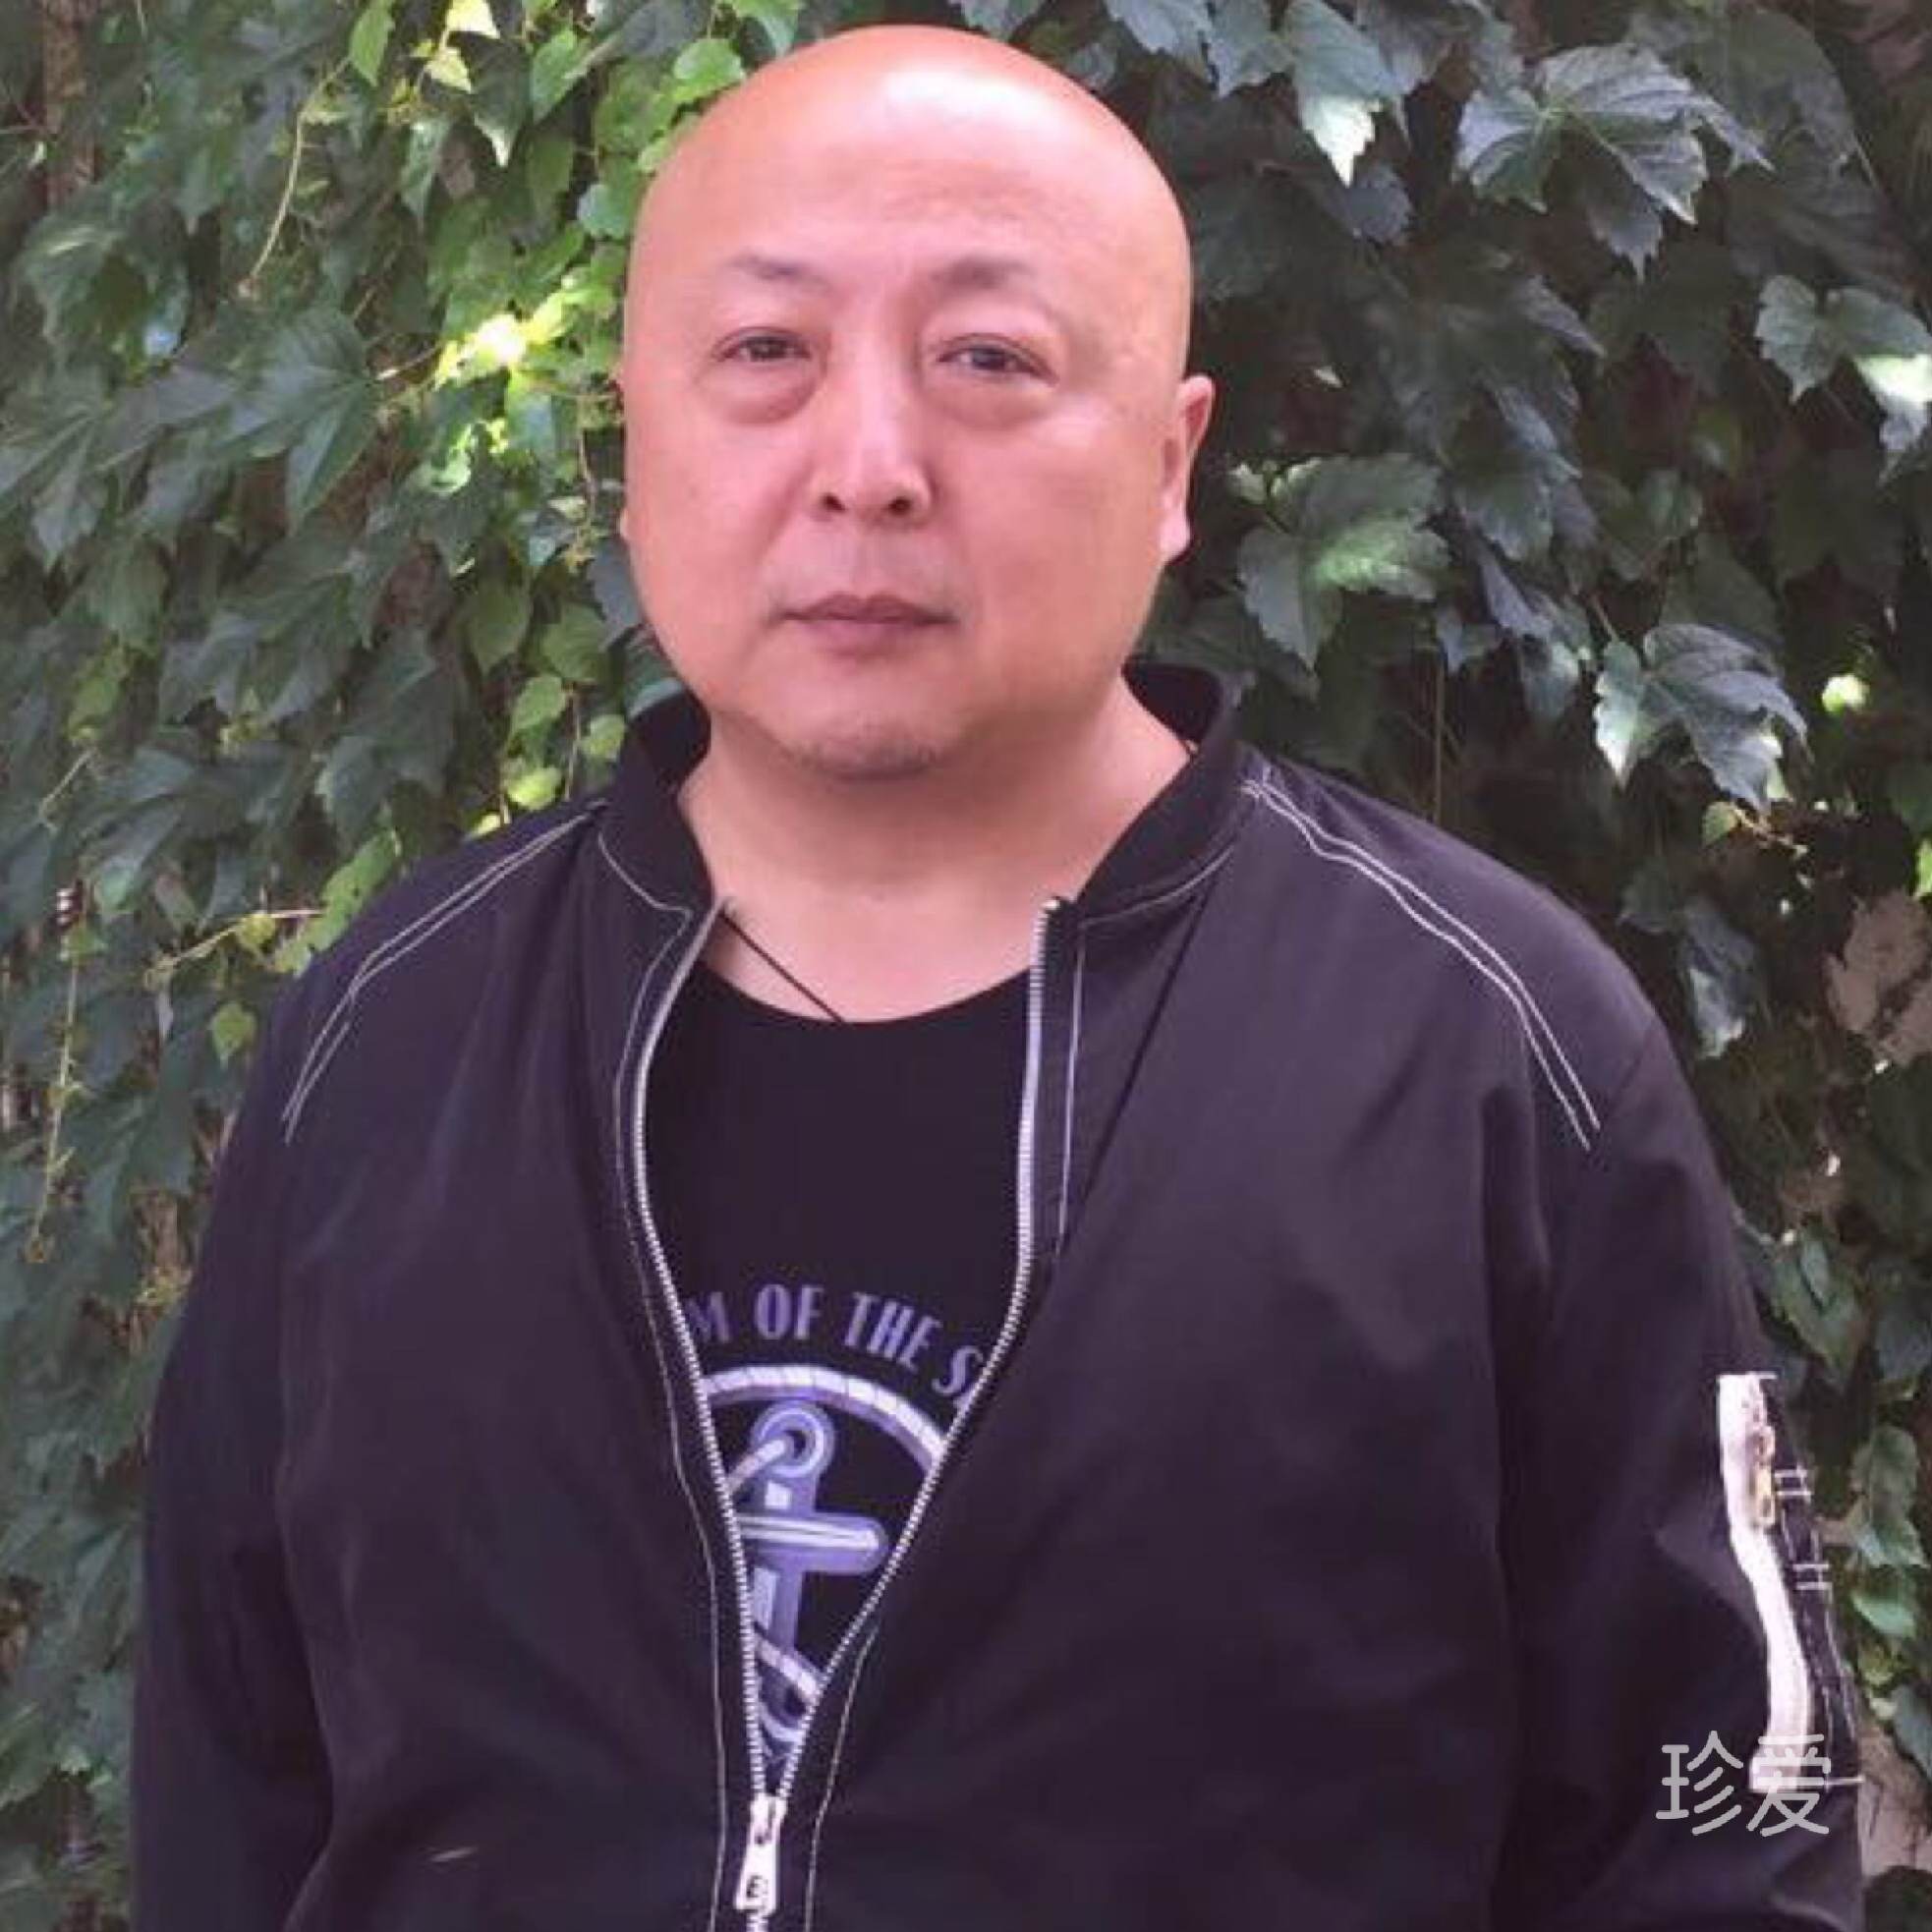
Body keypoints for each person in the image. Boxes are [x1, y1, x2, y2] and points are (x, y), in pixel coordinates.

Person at [131, 21, 1867, 1930]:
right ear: (633, 442)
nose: (867, 467)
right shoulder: (394, 1034)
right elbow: (232, 1776)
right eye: (765, 352)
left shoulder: (1484, 1056)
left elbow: (1729, 1809)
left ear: (1169, 461)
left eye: (986, 360)